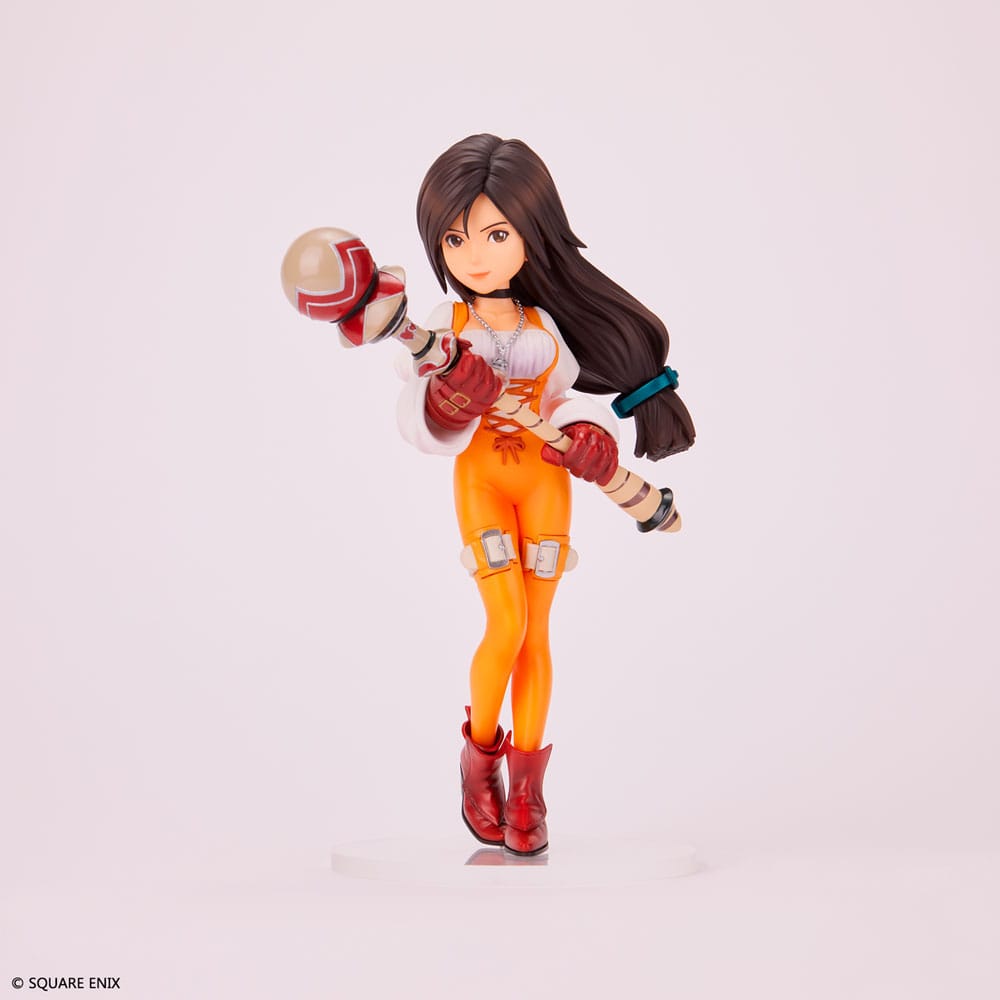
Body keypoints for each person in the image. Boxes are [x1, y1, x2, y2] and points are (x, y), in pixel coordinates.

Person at [395, 134, 695, 854]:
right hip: (482, 481)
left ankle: (527, 788)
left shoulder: (544, 325)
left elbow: (563, 399)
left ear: (532, 235)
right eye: (456, 238)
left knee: (537, 633)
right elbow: (412, 412)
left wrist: (591, 435)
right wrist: (445, 402)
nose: (475, 256)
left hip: (546, 482)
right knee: (505, 622)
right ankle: (480, 763)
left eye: (496, 235)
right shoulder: (441, 326)